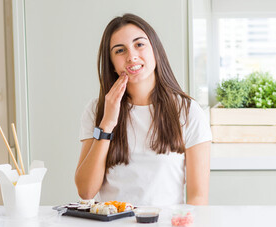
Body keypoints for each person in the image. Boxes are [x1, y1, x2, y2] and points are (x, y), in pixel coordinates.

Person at [75, 13, 211, 206]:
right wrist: (107, 124)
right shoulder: (96, 110)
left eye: (139, 44)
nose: (131, 56)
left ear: (155, 50)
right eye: (120, 50)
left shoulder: (188, 111)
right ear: (112, 64)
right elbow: (86, 191)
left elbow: (198, 197)